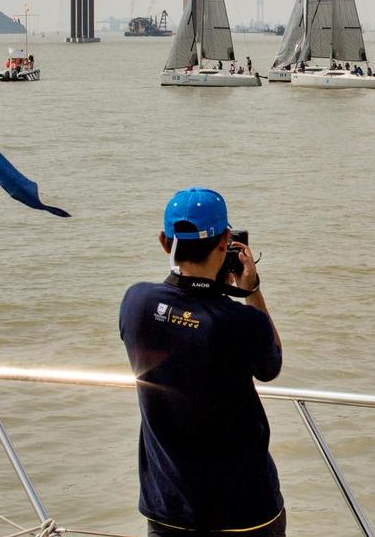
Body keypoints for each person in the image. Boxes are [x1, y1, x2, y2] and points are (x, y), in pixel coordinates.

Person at [120, 188, 285, 537]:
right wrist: (249, 288)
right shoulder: (242, 322)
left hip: (169, 507)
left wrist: (211, 291)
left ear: (165, 242)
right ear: (226, 241)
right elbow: (270, 364)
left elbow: (187, 326)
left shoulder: (136, 302)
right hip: (246, 508)